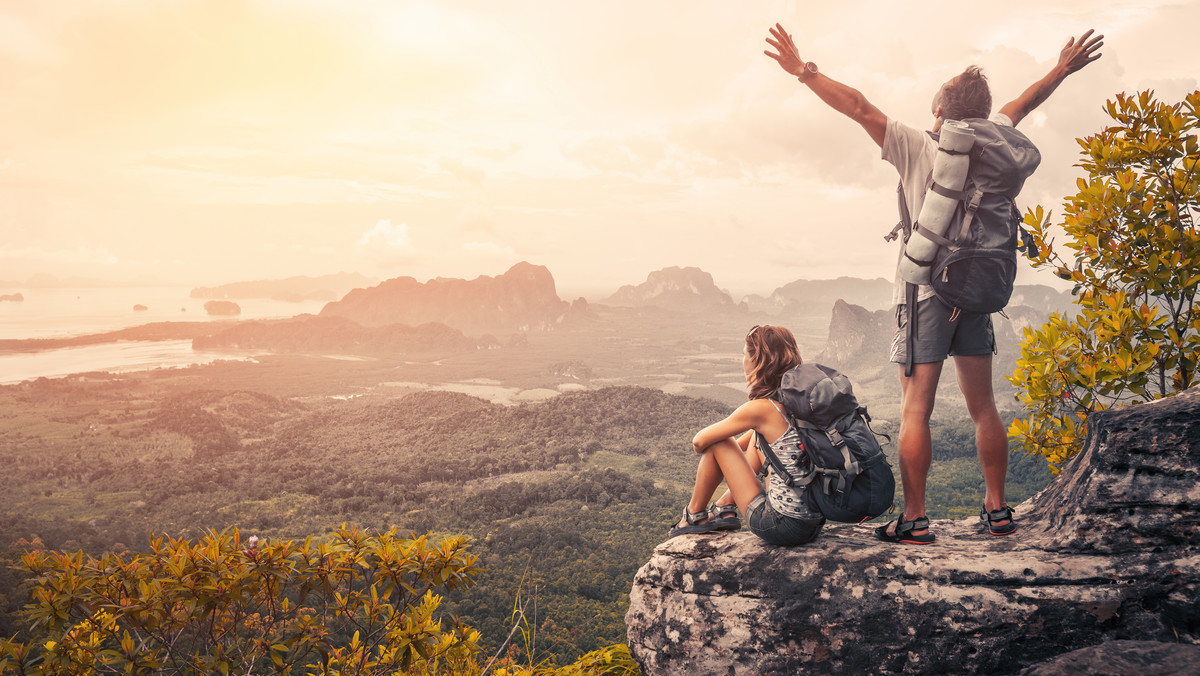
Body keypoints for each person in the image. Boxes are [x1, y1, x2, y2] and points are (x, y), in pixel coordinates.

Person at [763, 24, 1103, 544]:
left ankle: (915, 517)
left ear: (943, 113)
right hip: (978, 292)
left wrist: (805, 73)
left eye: (935, 108)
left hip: (927, 295)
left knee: (915, 407)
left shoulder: (922, 146)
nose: (931, 116)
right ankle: (997, 510)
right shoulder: (996, 143)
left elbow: (858, 106)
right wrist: (1061, 68)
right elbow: (1022, 103)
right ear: (983, 114)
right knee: (983, 406)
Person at [668, 325, 826, 546]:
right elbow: (748, 443)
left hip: (780, 525)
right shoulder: (797, 401)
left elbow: (700, 441)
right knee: (753, 436)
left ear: (757, 361)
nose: (743, 361)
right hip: (812, 523)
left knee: (719, 441)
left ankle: (694, 515)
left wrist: (720, 450)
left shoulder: (761, 409)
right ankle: (724, 508)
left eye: (744, 355)